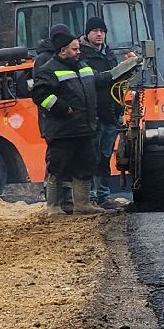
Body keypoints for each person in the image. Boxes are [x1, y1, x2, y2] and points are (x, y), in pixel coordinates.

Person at [29, 25, 111, 217]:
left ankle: (82, 204)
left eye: (78, 48)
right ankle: (53, 206)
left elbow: (99, 79)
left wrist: (122, 71)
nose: (78, 52)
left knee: (85, 166)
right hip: (63, 130)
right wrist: (62, 108)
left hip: (84, 128)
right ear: (62, 50)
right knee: (58, 168)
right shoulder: (48, 69)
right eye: (74, 49)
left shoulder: (83, 66)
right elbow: (40, 95)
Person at [77, 16, 124, 206]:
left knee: (105, 157)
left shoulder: (109, 55)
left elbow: (119, 84)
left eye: (102, 31)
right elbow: (93, 80)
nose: (99, 34)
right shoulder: (81, 56)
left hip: (111, 113)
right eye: (95, 31)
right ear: (87, 33)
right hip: (94, 114)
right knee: (92, 156)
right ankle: (92, 196)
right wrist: (113, 74)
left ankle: (103, 195)